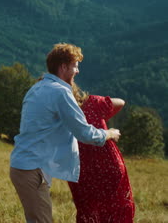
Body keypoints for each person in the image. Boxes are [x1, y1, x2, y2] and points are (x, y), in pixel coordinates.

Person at [9, 43, 122, 223]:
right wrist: (109, 133)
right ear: (63, 67)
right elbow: (84, 133)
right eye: (75, 66)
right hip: (33, 170)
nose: (77, 71)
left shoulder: (36, 88)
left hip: (23, 166)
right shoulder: (61, 92)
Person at [68, 84, 135, 222]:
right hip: (109, 164)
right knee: (116, 210)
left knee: (90, 212)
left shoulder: (59, 116)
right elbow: (120, 102)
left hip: (81, 171)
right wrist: (105, 117)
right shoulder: (93, 102)